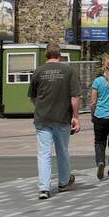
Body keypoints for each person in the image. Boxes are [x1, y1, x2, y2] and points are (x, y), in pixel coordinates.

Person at [27, 43, 80, 200]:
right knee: (62, 150)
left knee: (43, 153)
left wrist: (42, 107)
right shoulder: (69, 71)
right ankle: (63, 182)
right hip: (62, 117)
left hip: (43, 117)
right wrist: (75, 117)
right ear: (60, 54)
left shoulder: (38, 71)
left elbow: (33, 96)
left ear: (46, 55)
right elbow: (75, 96)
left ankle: (44, 188)